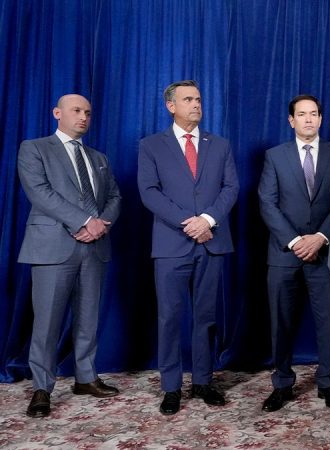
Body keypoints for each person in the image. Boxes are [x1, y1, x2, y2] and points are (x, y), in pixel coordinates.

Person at [17, 94, 122, 418]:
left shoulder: (98, 157)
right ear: (57, 113)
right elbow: (39, 192)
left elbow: (115, 196)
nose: (83, 117)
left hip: (94, 246)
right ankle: (42, 387)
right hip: (52, 246)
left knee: (89, 317)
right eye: (76, 110)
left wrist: (99, 225)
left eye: (88, 112)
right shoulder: (34, 148)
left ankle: (86, 378)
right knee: (47, 321)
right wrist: (84, 221)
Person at [138, 80, 239, 415]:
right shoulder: (151, 145)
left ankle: (203, 381)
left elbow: (230, 188)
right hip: (172, 245)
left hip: (211, 242)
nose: (196, 104)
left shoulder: (219, 145)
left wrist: (207, 220)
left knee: (206, 317)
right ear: (171, 106)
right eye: (188, 99)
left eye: (198, 99)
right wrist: (189, 223)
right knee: (169, 317)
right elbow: (149, 192)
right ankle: (171, 387)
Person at [258, 95, 330, 412]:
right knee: (280, 323)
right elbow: (267, 203)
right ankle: (281, 384)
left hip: (325, 252)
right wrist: (296, 241)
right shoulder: (274, 156)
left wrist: (321, 237)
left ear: (320, 119)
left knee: (328, 322)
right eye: (301, 114)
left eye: (313, 114)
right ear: (291, 120)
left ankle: (327, 384)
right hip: (284, 255)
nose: (308, 119)